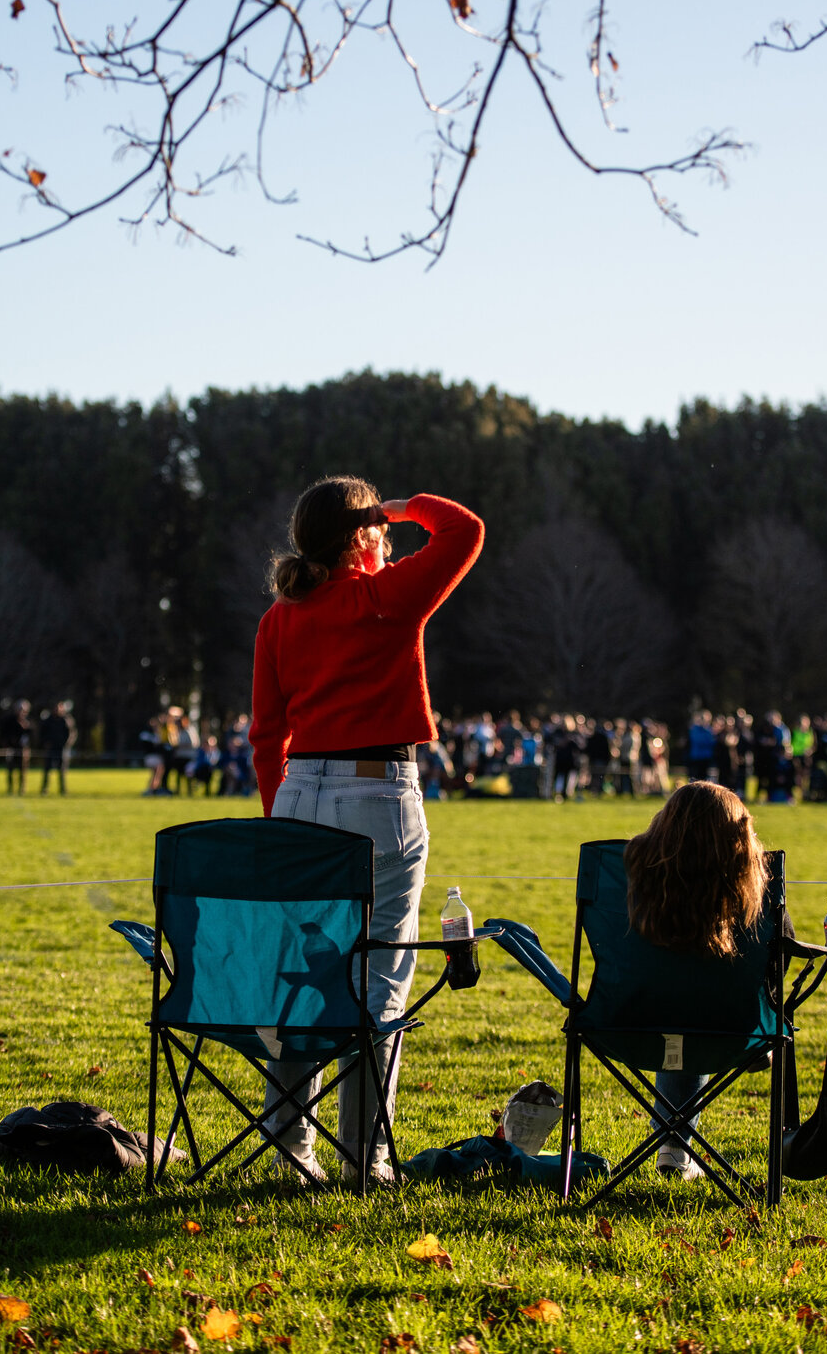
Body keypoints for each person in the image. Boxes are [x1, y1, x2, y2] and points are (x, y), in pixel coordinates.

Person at [249, 477, 484, 1186]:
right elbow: (465, 530)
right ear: (365, 534)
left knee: (304, 974)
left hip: (298, 793)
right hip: (377, 793)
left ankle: (291, 1147)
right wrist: (403, 506)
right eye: (377, 526)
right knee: (379, 974)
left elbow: (266, 736)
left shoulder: (279, 619)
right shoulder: (384, 598)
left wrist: (280, 820)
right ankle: (363, 1156)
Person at [621, 780, 772, 1181]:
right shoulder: (753, 881)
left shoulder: (627, 870)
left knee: (678, 1007)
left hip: (627, 1019)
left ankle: (674, 1148)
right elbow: (778, 956)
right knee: (694, 1007)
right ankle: (675, 1147)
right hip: (730, 1028)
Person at [40, 699, 76, 795]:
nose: (57, 709)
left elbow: (71, 734)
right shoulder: (48, 720)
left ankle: (63, 790)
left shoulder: (66, 720)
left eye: (59, 707)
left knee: (62, 770)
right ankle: (44, 789)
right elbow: (42, 733)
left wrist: (67, 745)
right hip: (50, 748)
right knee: (47, 769)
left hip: (62, 749)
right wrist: (45, 743)